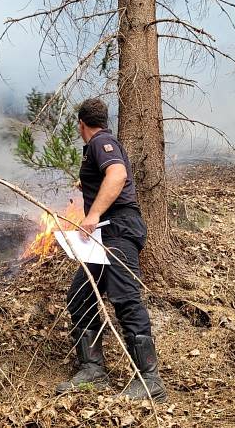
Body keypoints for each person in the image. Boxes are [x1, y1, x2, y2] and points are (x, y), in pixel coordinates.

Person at [55, 98, 167, 402]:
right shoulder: (101, 144)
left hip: (116, 229)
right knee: (80, 297)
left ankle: (150, 381)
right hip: (104, 235)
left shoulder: (101, 142)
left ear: (81, 124)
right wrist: (89, 187)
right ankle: (94, 370)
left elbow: (117, 175)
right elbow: (109, 176)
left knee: (125, 298)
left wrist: (91, 216)